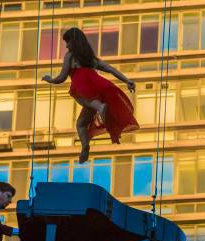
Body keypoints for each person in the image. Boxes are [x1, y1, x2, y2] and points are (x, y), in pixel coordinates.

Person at [42, 27, 139, 164]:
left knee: (83, 97)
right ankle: (85, 147)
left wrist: (50, 79)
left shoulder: (70, 56)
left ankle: (100, 107)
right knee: (81, 123)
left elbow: (62, 77)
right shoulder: (91, 58)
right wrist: (127, 80)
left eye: (67, 42)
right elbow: (110, 69)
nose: (66, 46)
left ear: (73, 42)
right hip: (99, 85)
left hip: (83, 84)